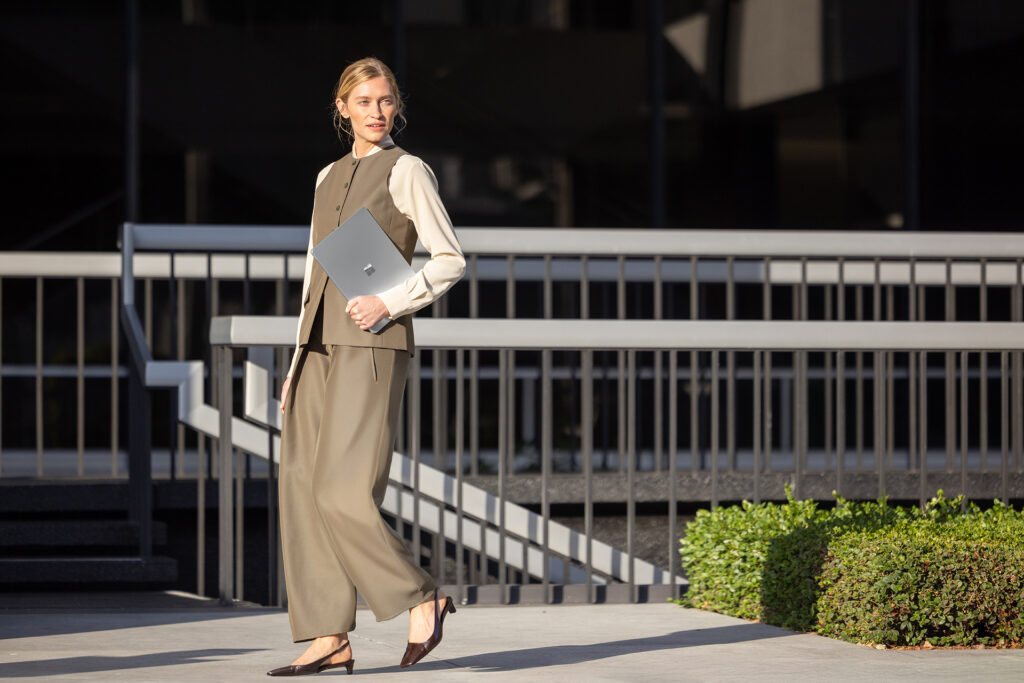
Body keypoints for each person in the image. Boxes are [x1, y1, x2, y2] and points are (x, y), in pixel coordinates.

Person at [267, 57, 465, 676]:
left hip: (373, 347)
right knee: (302, 489)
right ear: (342, 108)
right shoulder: (328, 175)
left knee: (342, 491)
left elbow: (450, 258)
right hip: (319, 350)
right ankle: (329, 636)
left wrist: (391, 298)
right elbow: (313, 273)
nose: (377, 112)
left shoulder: (407, 172)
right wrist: (297, 358)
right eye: (364, 101)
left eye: (386, 101)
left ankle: (420, 594)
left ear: (396, 107)